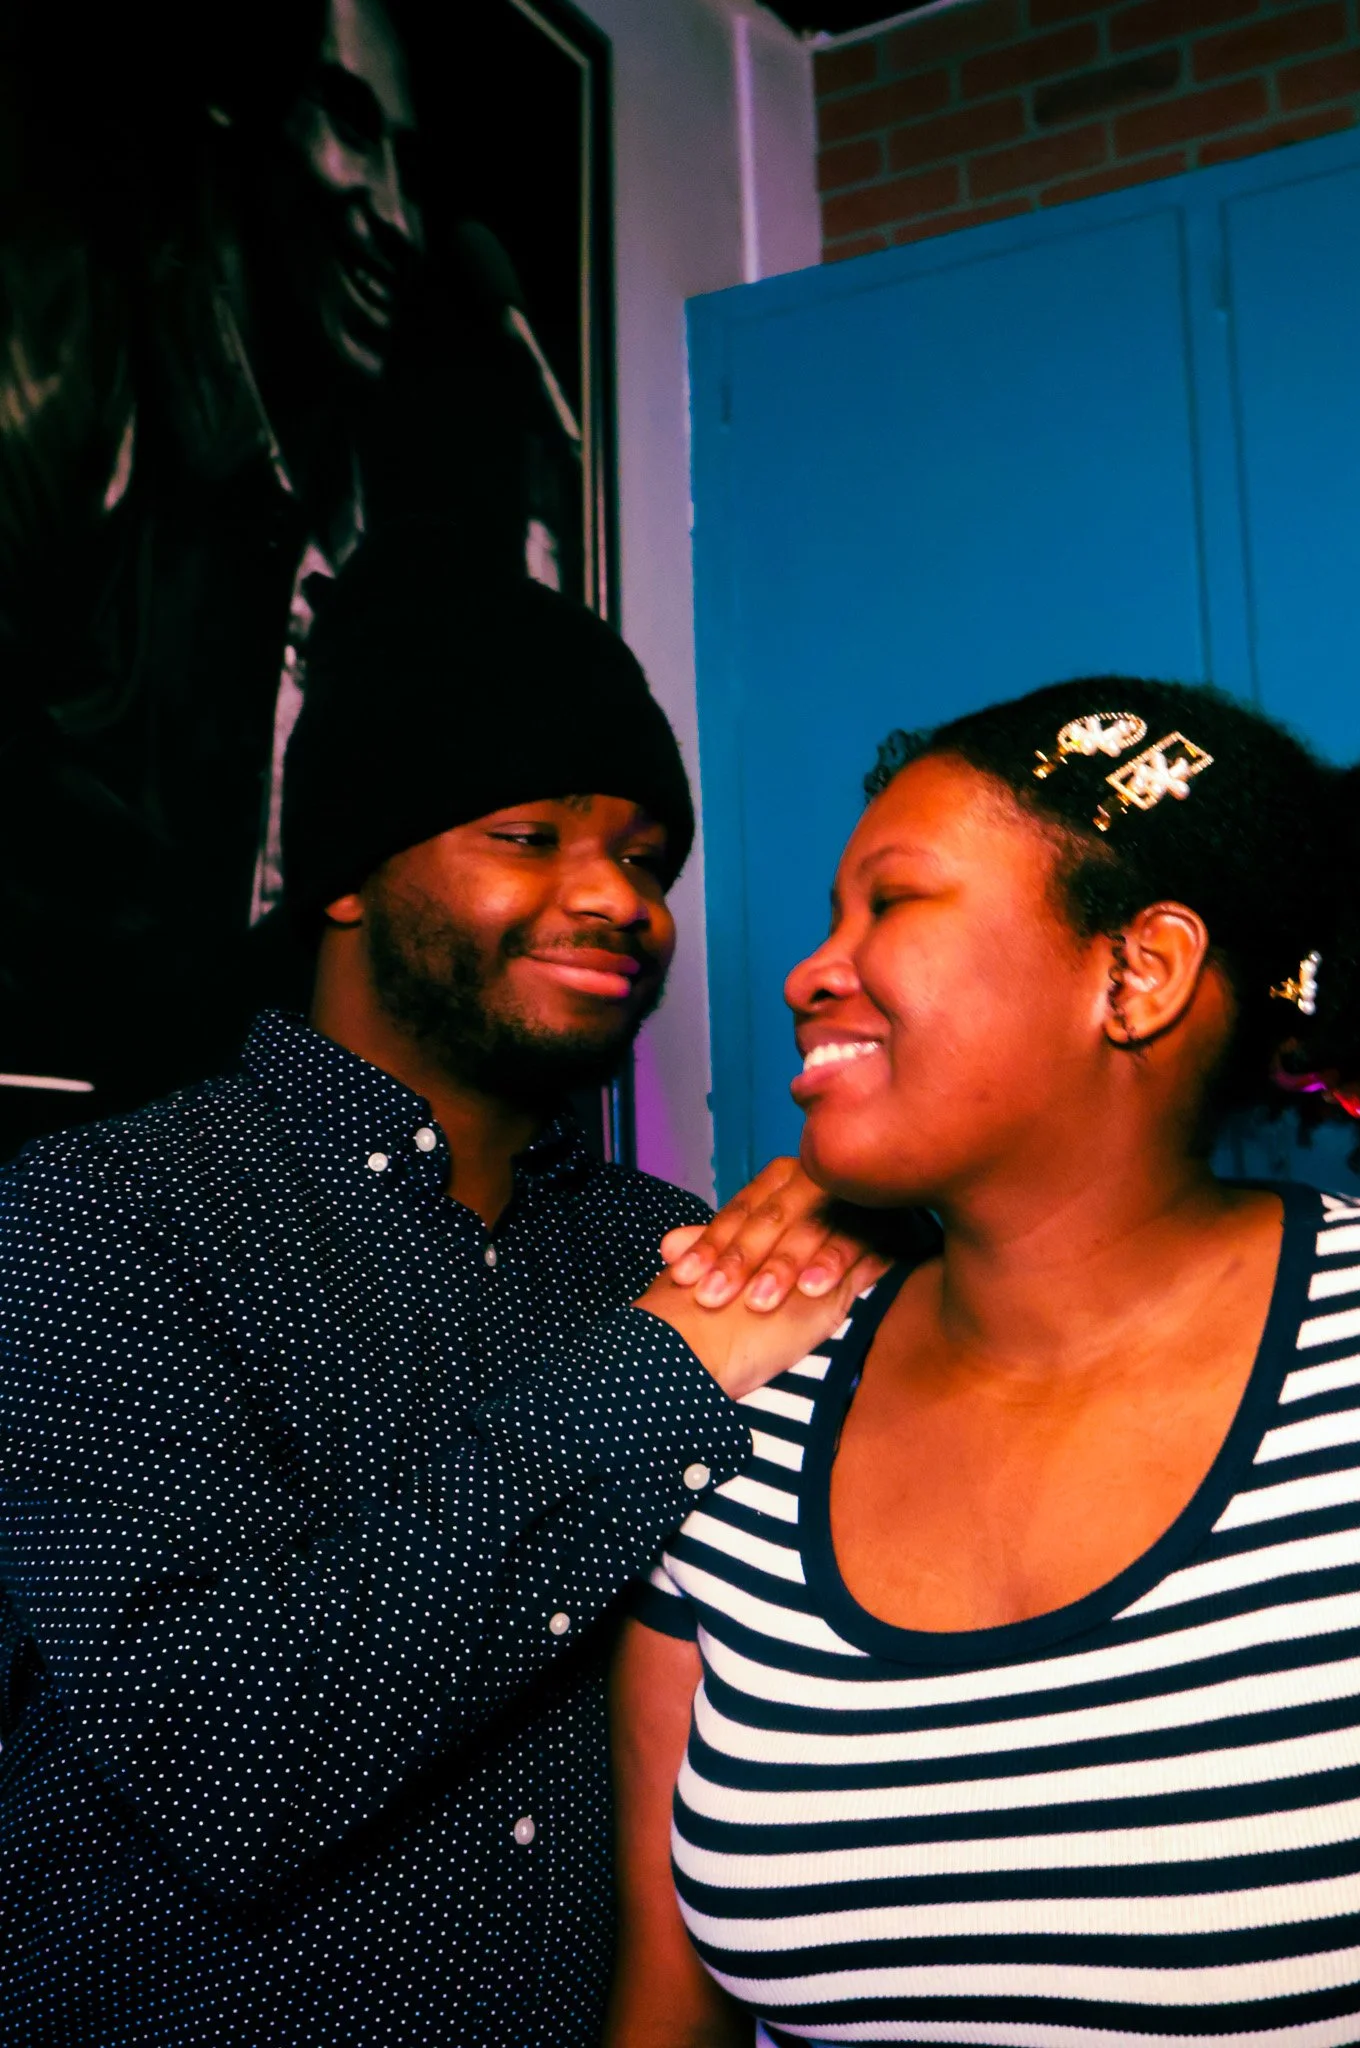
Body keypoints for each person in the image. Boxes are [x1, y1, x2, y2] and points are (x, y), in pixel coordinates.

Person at [0, 533, 893, 2047]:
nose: (620, 899)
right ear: (348, 875)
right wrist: (673, 1360)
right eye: (532, 836)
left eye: (646, 856)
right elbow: (235, 1749)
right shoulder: (100, 1215)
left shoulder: (663, 1241)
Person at [609, 678, 1360, 2048]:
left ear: (1136, 974)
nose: (808, 972)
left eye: (890, 905)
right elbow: (670, 2016)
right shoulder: (737, 1411)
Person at [0, 0, 576, 1154]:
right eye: (350, 128)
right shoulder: (81, 353)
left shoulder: (357, 506)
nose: (398, 219)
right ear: (238, 121)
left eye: (411, 164)